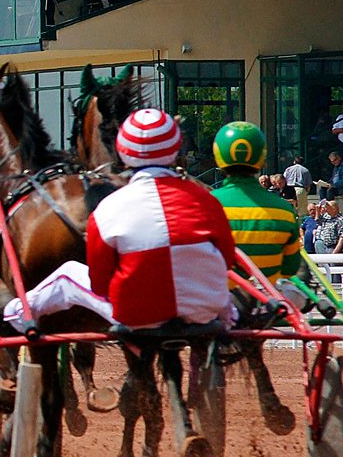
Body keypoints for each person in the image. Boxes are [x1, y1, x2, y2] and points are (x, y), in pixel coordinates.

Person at [85, 109, 238, 329]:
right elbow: (226, 258)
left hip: (137, 316)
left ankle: (18, 316)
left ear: (123, 151)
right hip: (205, 311)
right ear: (175, 149)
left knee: (66, 276)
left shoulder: (106, 209)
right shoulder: (207, 200)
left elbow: (99, 284)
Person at [210, 121, 301, 286]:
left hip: (217, 306)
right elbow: (290, 269)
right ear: (262, 160)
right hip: (266, 305)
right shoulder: (284, 210)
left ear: (218, 159)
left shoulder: (204, 206)